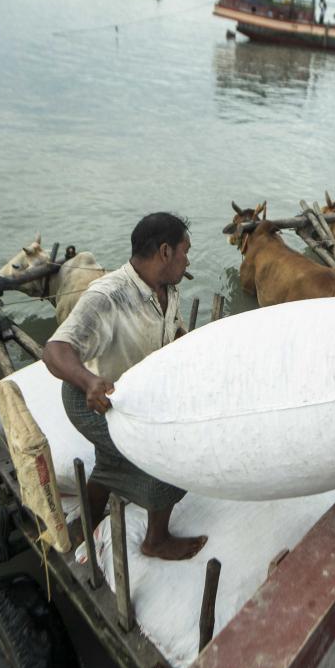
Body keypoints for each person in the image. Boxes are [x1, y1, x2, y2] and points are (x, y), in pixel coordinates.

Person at [43, 213, 208, 561]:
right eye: (184, 251)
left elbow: (172, 333)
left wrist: (196, 349)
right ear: (165, 251)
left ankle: (85, 521)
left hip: (132, 400)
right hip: (91, 399)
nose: (188, 259)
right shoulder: (108, 296)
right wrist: (89, 382)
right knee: (167, 460)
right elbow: (55, 351)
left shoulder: (168, 289)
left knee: (110, 460)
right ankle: (156, 540)